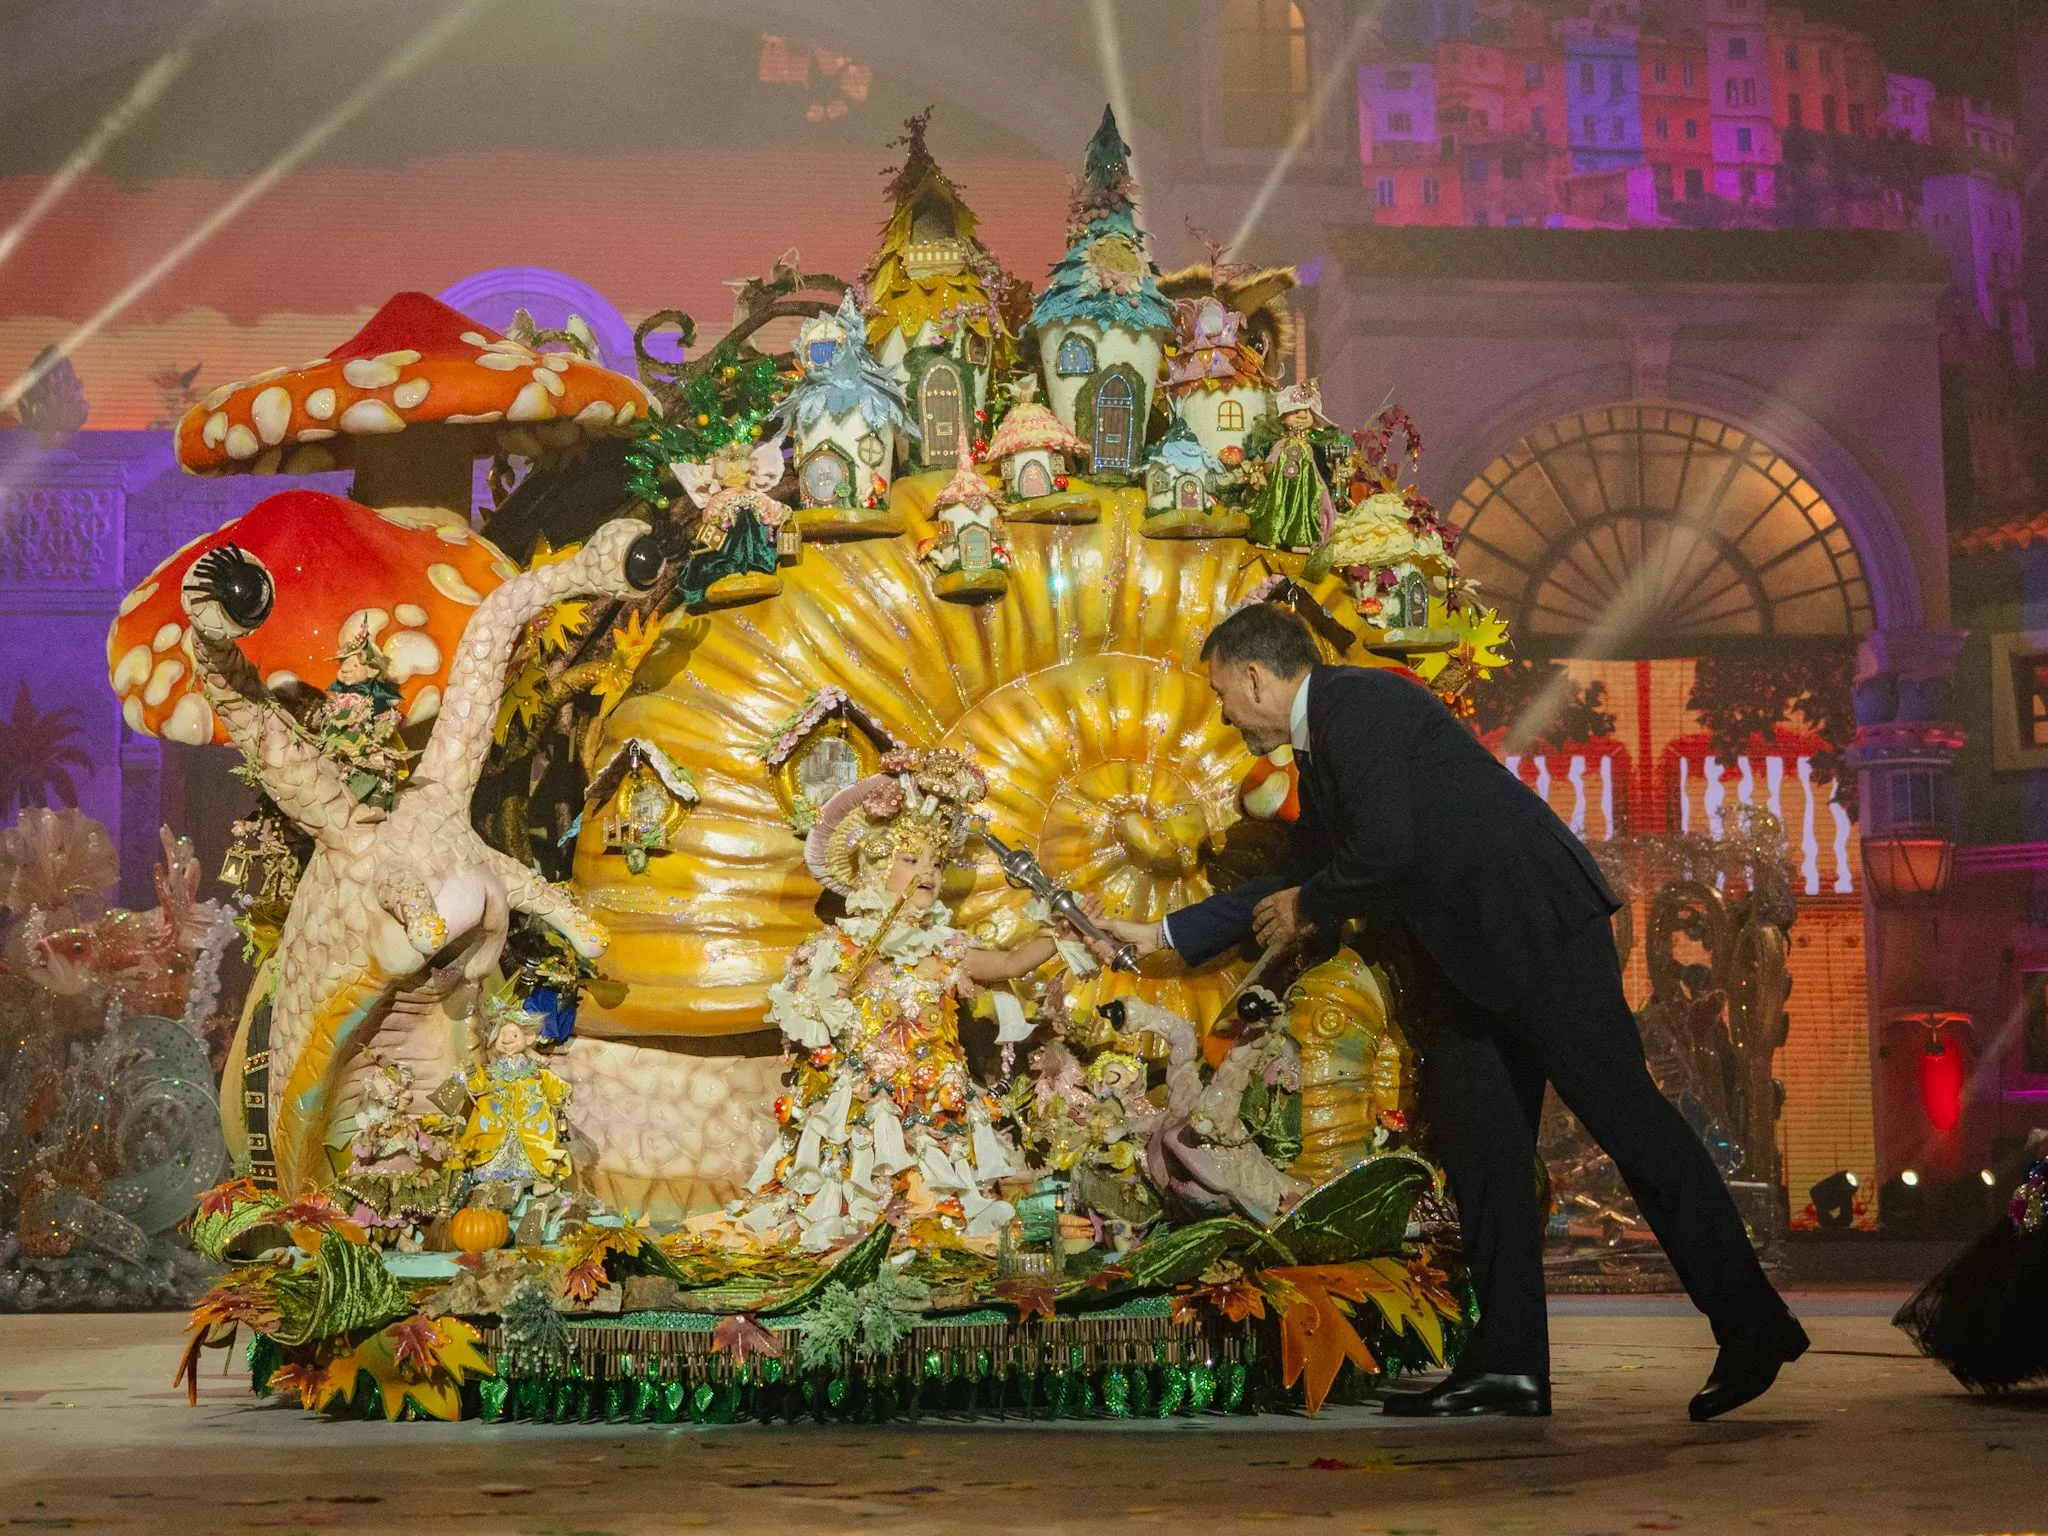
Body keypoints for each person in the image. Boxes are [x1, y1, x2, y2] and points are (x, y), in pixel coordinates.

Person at [1097, 602, 1807, 1419]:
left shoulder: (1355, 706)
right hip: (1471, 963)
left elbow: (1381, 853)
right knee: (1481, 1146)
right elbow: (1305, 874)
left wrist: (1309, 906)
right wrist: (1160, 931)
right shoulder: (1322, 742)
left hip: (1536, 930)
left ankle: (1754, 1323)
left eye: (1223, 693)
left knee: (1630, 1122)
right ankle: (1510, 1365)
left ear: (1256, 676)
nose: (1224, 714)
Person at [739, 747, 1098, 1254]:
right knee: (851, 1217)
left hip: (934, 1110)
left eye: (935, 861)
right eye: (911, 859)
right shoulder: (836, 948)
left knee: (940, 1226)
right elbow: (801, 1021)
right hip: (862, 1112)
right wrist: (826, 1000)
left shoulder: (946, 947)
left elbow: (1011, 964)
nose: (928, 871)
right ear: (873, 866)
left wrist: (1063, 934)